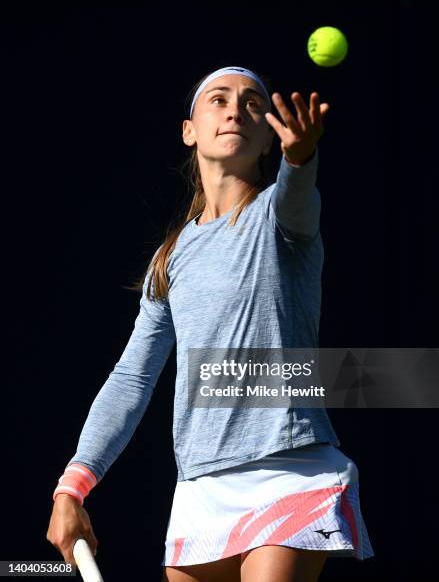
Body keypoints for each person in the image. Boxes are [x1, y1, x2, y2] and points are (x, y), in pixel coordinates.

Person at [47, 65, 374, 581]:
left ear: (269, 134)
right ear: (189, 130)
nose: (234, 109)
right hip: (200, 490)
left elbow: (296, 189)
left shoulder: (281, 218)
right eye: (218, 99)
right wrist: (72, 488)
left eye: (251, 103)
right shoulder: (171, 258)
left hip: (290, 473)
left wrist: (301, 157)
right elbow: (132, 377)